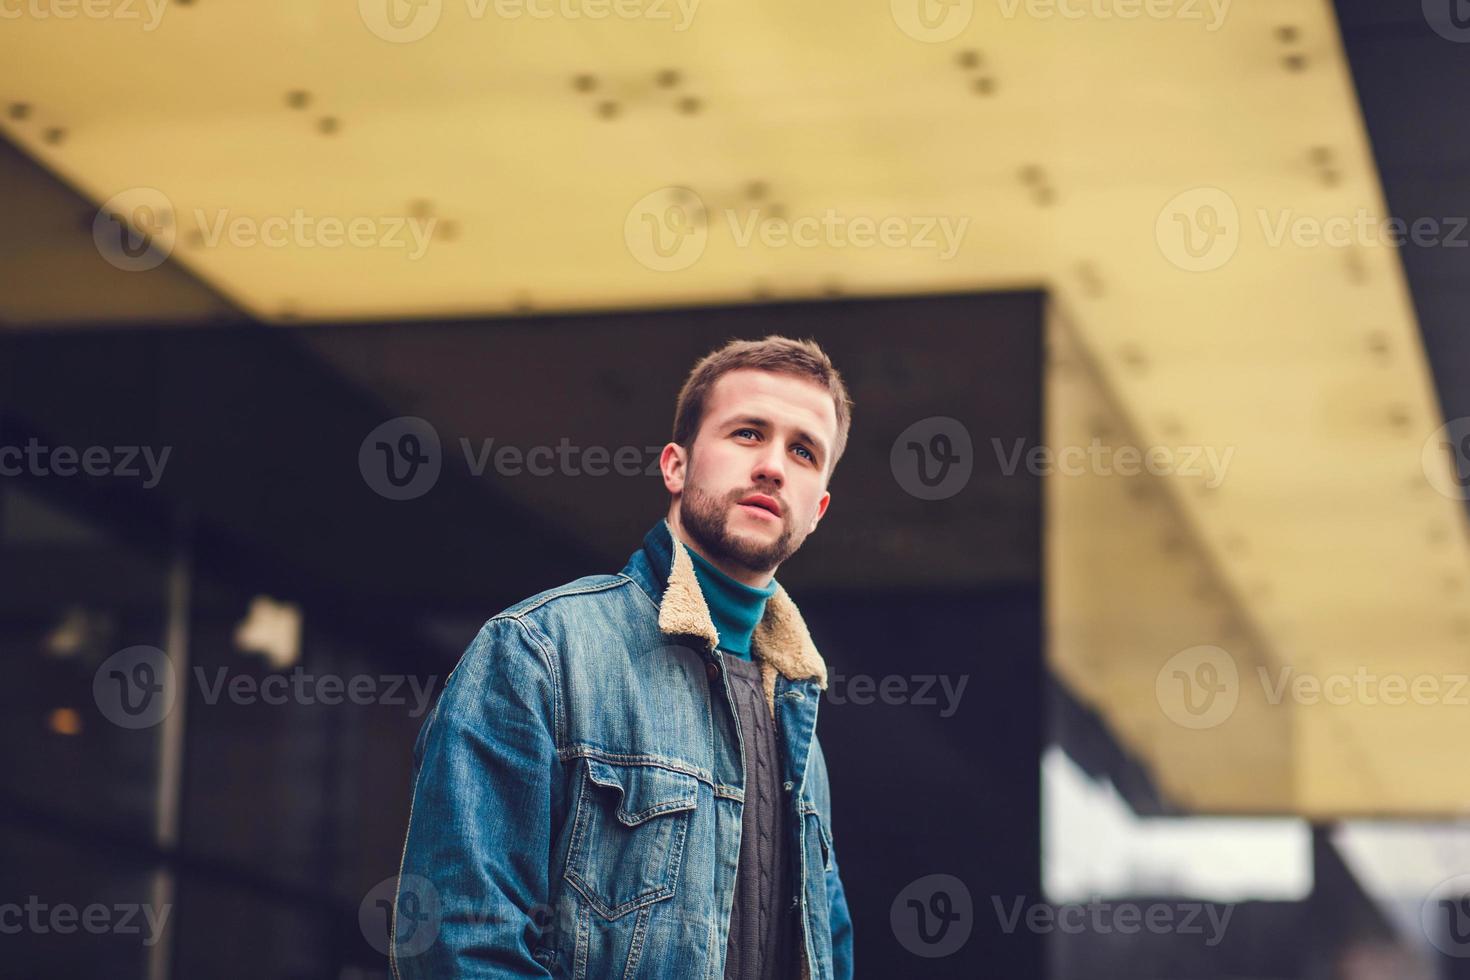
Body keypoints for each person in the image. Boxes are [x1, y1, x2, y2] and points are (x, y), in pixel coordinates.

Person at [392, 335, 854, 979]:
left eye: (803, 451)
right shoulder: (538, 654)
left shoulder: (798, 717)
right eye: (748, 433)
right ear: (676, 466)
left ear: (818, 510)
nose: (774, 465)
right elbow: (461, 945)